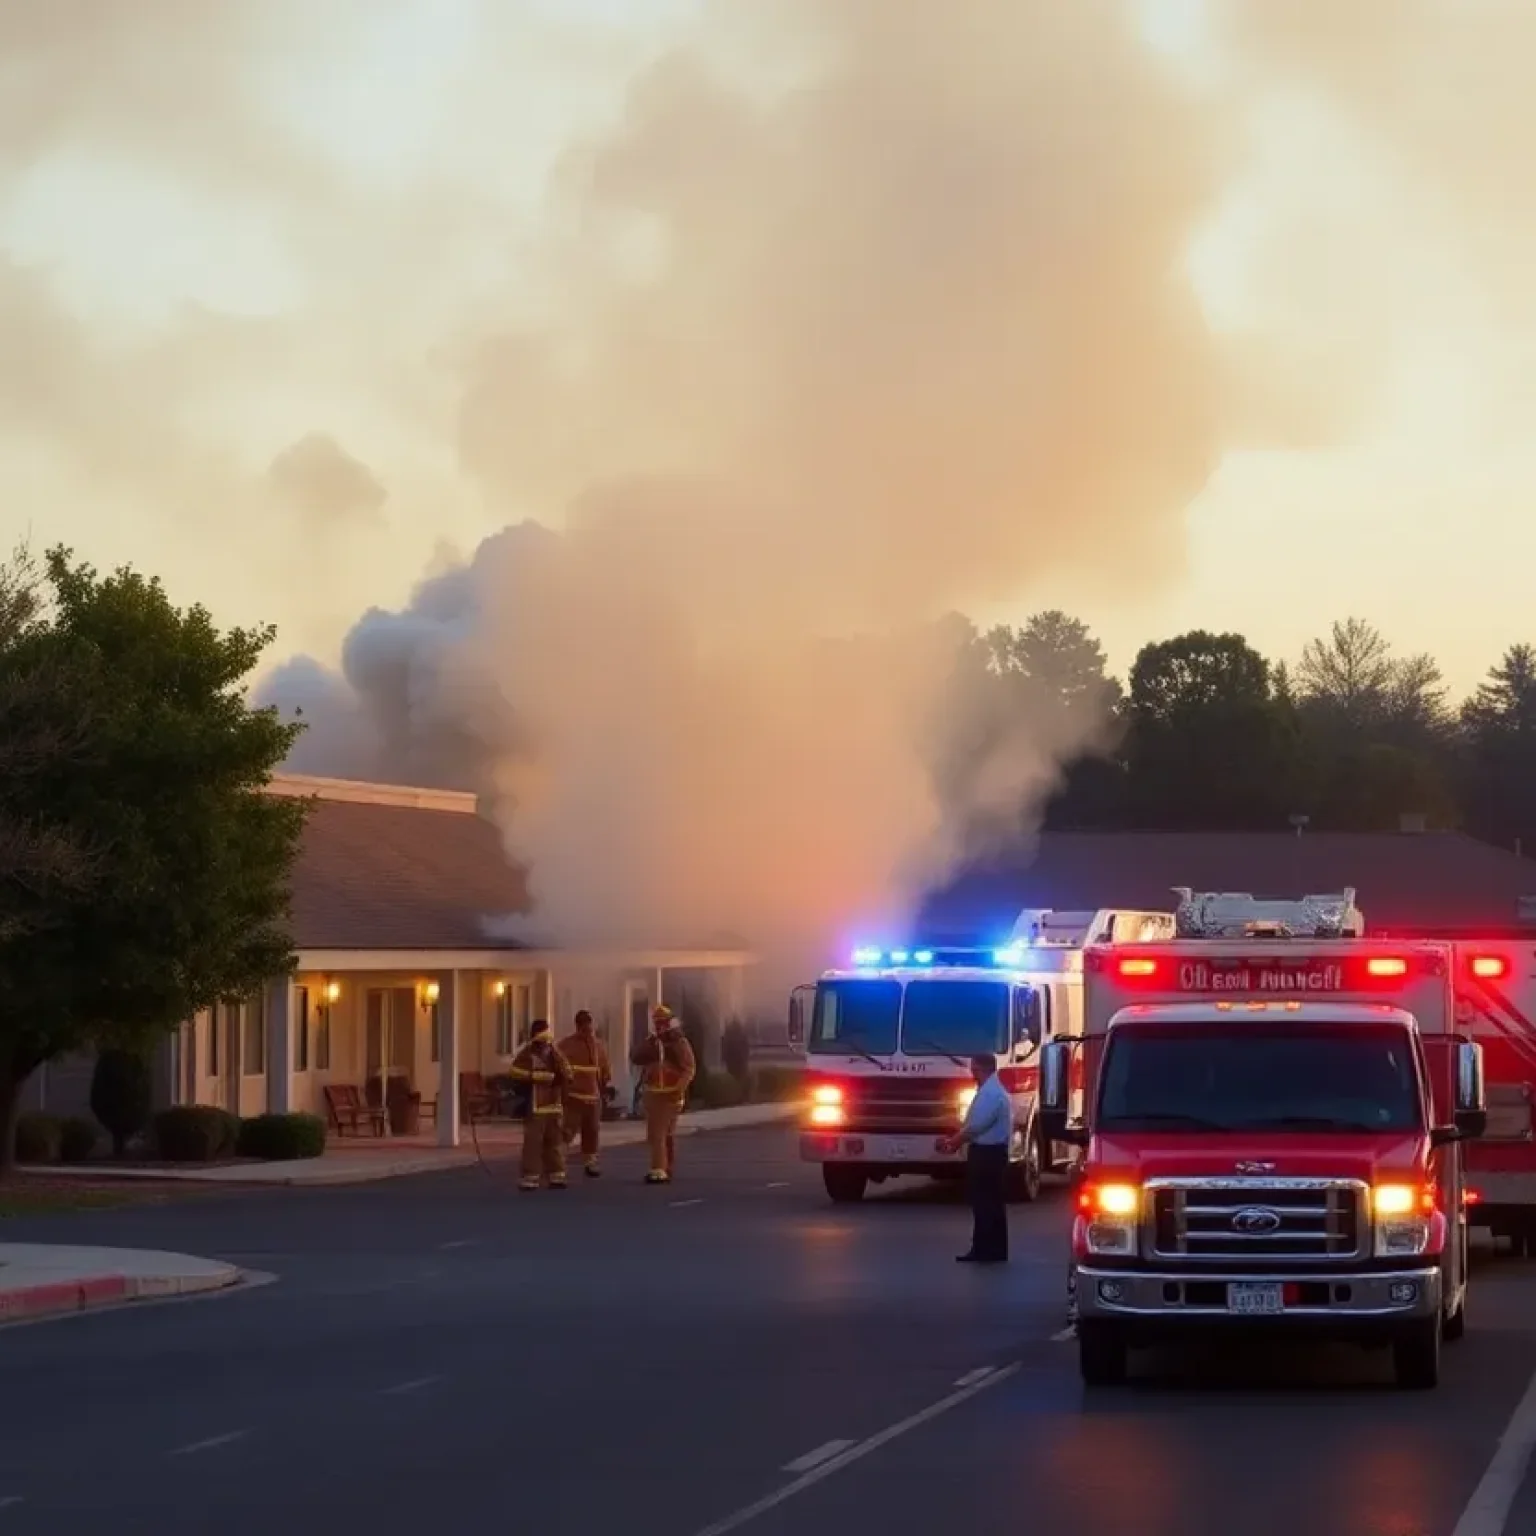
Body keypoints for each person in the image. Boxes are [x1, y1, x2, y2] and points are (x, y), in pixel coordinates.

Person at [939, 1052, 1014, 1263]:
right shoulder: (992, 1091)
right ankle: (996, 1249)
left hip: (987, 1154)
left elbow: (976, 1126)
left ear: (982, 1068)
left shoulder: (990, 1094)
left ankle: (984, 1249)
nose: (971, 1072)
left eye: (974, 1068)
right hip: (993, 1153)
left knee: (983, 1202)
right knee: (993, 1202)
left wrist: (954, 1141)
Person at [630, 1005, 695, 1184]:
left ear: (670, 1022)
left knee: (658, 1133)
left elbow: (688, 1069)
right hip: (653, 1093)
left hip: (670, 1094)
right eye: (657, 1023)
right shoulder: (652, 1043)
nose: (660, 1026)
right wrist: (649, 1043)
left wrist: (679, 1089)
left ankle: (658, 1169)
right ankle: (667, 1166)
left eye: (663, 1022)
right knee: (663, 1134)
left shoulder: (679, 1043)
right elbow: (636, 1057)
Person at [509, 1019, 572, 1192]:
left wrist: (560, 1072)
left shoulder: (555, 1053)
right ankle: (531, 1176)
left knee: (554, 1142)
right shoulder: (527, 1054)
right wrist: (535, 1077)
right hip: (535, 1105)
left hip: (554, 1105)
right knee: (533, 1142)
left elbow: (567, 1071)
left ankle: (557, 1174)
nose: (545, 1042)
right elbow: (514, 1071)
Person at [558, 1009, 614, 1178]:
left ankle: (590, 1162)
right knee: (567, 1131)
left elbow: (604, 1070)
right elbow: (558, 1066)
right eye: (583, 1024)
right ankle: (557, 1163)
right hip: (574, 1097)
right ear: (578, 1025)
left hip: (593, 1097)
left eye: (589, 1024)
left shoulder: (598, 1046)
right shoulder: (566, 1045)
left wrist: (604, 1088)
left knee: (592, 1131)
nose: (587, 1028)